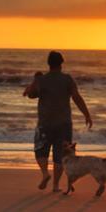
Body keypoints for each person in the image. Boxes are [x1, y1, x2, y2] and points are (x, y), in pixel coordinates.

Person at [22, 51, 93, 191]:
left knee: (40, 150)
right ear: (61, 63)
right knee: (61, 155)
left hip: (45, 122)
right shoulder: (67, 79)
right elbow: (76, 97)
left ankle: (44, 174)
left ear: (48, 64)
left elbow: (30, 94)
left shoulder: (41, 80)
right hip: (64, 123)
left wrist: (35, 81)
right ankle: (55, 186)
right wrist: (87, 114)